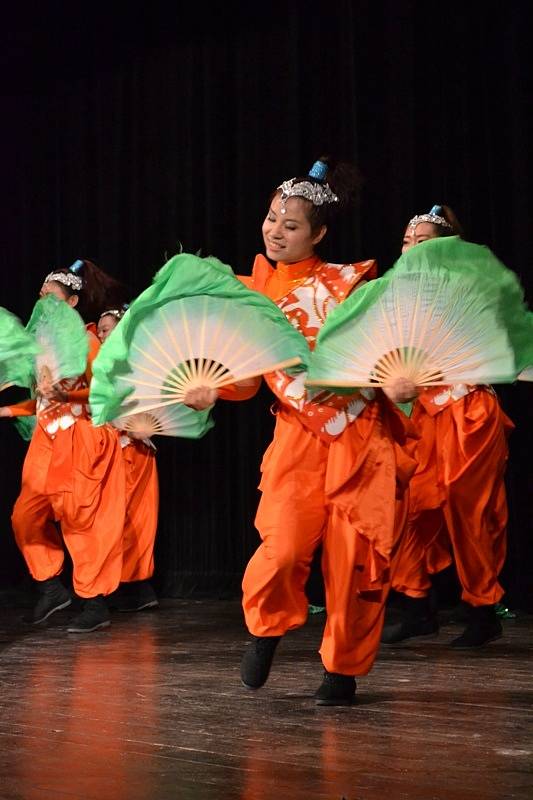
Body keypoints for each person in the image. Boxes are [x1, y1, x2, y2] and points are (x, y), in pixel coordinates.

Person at [185, 157, 417, 705]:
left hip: (362, 441)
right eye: (271, 219)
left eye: (290, 226)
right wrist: (213, 389)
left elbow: (389, 353)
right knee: (283, 548)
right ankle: (266, 628)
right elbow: (243, 376)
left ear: (318, 234)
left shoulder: (349, 285)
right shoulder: (247, 294)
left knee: (354, 559)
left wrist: (401, 384)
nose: (275, 231)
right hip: (296, 439)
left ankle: (342, 670)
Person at [382, 206, 514, 648]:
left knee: (469, 511)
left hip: (467, 411)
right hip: (421, 415)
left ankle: (482, 611)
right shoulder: (394, 297)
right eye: (406, 241)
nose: (411, 249)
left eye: (423, 242)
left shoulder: (469, 289)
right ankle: (417, 606)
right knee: (410, 506)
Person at [0, 259, 128, 633]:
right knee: (25, 514)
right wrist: (7, 410)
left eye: (51, 294)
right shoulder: (39, 346)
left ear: (72, 302)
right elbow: (39, 402)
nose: (43, 299)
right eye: (40, 294)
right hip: (46, 437)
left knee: (80, 519)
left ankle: (94, 602)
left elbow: (108, 393)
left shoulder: (88, 342)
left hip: (82, 435)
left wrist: (71, 392)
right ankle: (51, 588)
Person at [96, 307, 160, 612]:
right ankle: (120, 586)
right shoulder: (97, 364)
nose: (101, 334)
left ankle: (137, 587)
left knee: (136, 518)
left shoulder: (133, 364)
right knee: (112, 518)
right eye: (100, 329)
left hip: (133, 450)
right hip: (107, 449)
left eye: (107, 329)